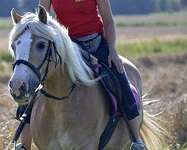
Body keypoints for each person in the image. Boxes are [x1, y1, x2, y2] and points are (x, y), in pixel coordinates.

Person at [16, 0, 147, 149]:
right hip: (66, 47)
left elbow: (108, 21)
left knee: (120, 79)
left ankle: (136, 141)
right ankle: (24, 145)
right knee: (32, 84)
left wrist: (112, 51)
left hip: (96, 45)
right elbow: (39, 21)